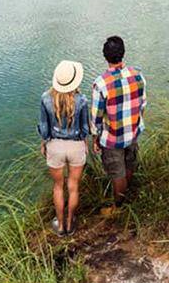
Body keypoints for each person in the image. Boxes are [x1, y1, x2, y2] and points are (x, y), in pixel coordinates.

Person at [90, 36, 146, 208]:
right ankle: (127, 196)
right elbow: (143, 104)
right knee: (129, 165)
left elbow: (96, 117)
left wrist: (95, 138)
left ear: (105, 56)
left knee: (117, 173)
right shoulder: (138, 76)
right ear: (123, 53)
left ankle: (119, 206)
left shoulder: (101, 84)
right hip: (133, 131)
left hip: (113, 138)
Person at [39, 60, 91, 235]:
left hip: (55, 147)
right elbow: (85, 129)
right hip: (76, 146)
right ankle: (70, 224)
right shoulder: (82, 100)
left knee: (58, 186)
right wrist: (85, 143)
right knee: (73, 186)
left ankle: (60, 226)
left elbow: (44, 127)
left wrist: (44, 143)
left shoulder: (46, 98)